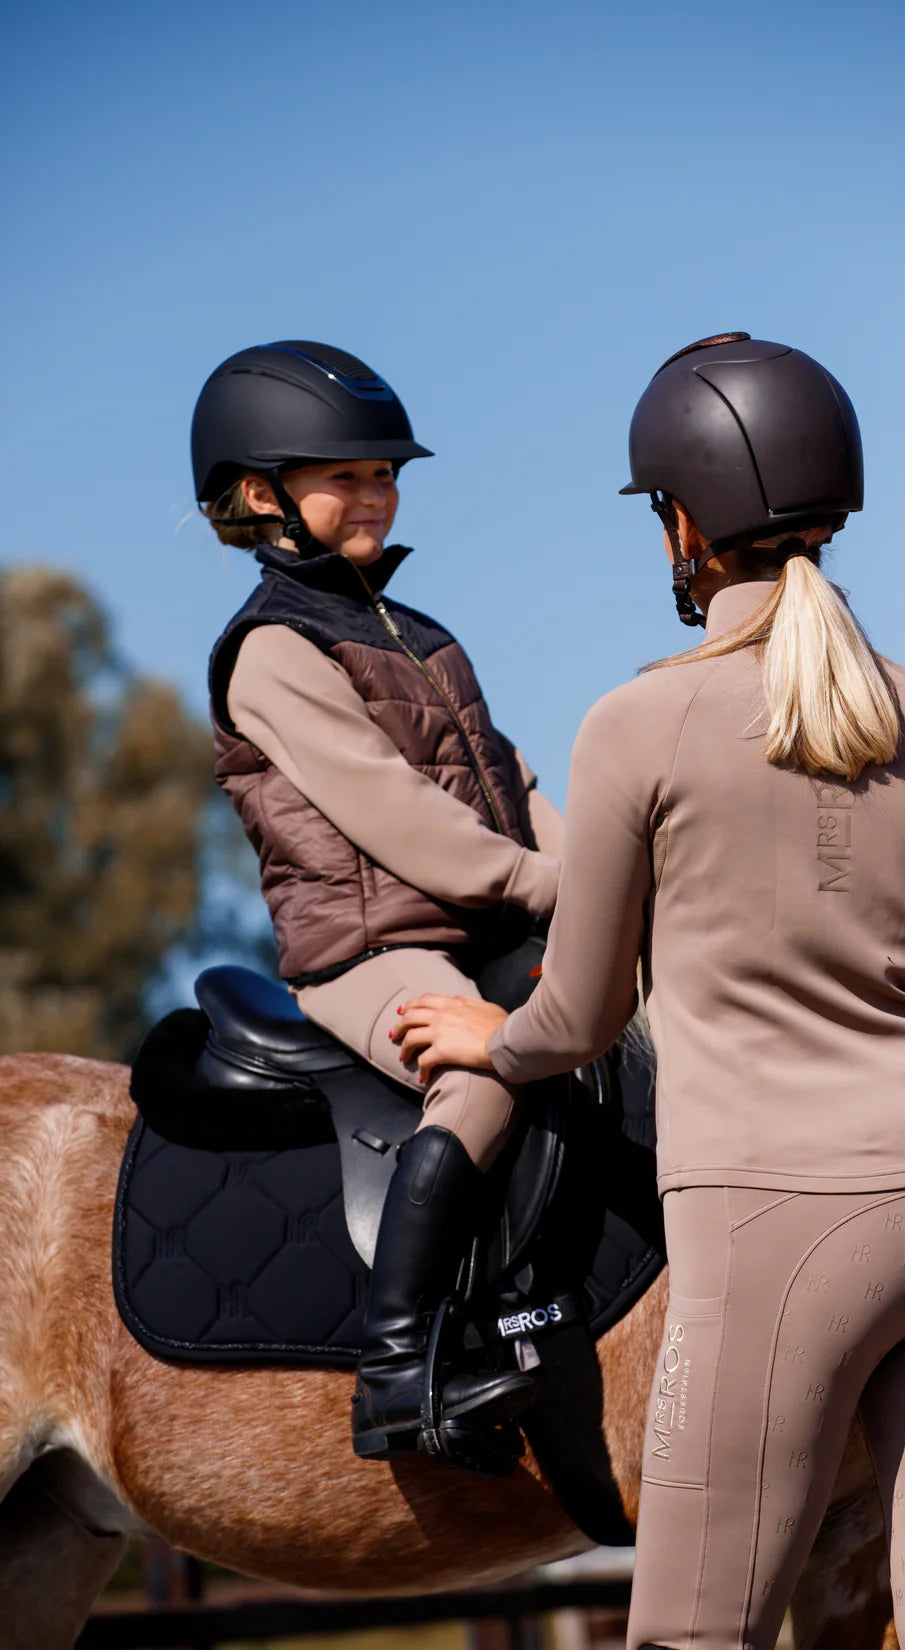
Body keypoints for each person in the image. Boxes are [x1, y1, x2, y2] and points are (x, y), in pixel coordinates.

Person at [391, 333, 905, 1648]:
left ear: (685, 526)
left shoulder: (641, 723)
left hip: (776, 1239)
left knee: (696, 1633)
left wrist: (495, 1038)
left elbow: (580, 1019)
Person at [194, 340, 556, 1462]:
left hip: (486, 924)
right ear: (262, 498)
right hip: (373, 951)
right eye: (345, 475)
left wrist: (615, 880)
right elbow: (402, 819)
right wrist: (548, 886)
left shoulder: (423, 635)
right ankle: (399, 1366)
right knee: (488, 1074)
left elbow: (516, 783)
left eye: (386, 474)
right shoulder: (269, 651)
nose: (375, 494)